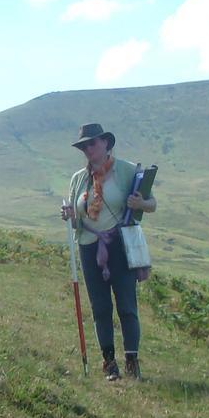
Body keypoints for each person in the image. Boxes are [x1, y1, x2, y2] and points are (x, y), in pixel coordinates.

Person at [59, 121, 156, 381]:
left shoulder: (126, 171)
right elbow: (78, 220)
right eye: (84, 146)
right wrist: (69, 215)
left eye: (92, 143)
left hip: (119, 245)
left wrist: (140, 202)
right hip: (89, 248)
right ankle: (109, 362)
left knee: (126, 305)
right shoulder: (78, 179)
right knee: (100, 307)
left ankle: (132, 361)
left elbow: (151, 204)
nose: (88, 149)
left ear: (105, 143)